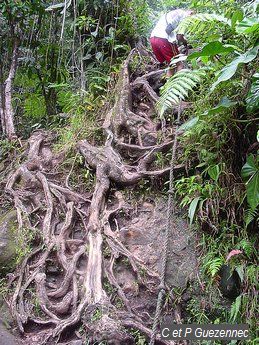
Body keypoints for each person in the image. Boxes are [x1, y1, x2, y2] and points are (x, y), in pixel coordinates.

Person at [150, 9, 194, 76]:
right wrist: (186, 42)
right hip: (164, 39)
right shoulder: (184, 16)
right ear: (190, 13)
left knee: (171, 64)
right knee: (179, 64)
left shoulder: (171, 13)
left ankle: (168, 83)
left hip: (153, 38)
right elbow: (179, 37)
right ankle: (178, 83)